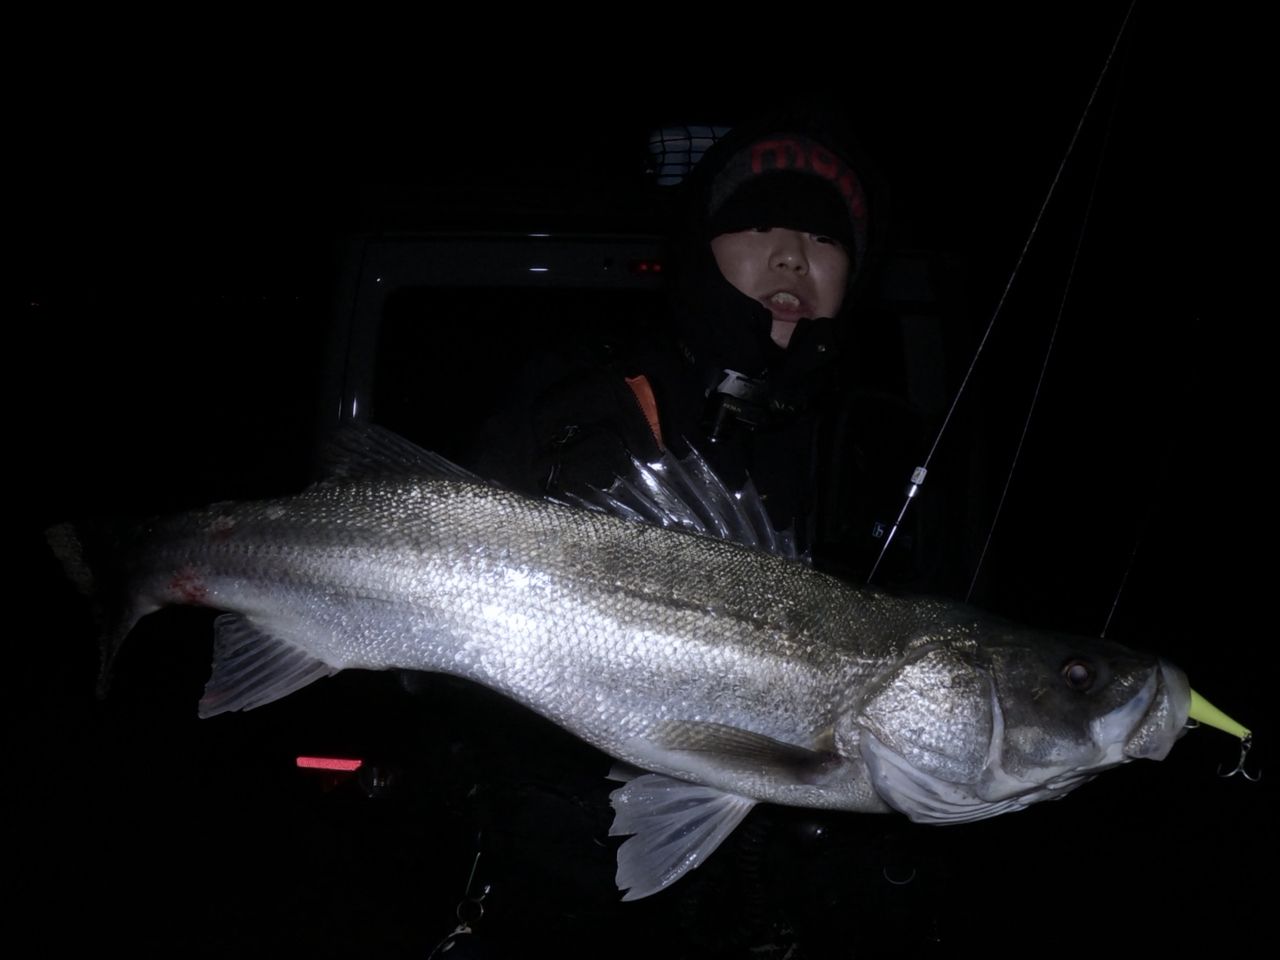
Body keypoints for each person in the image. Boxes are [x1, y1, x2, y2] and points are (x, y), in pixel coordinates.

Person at [473, 106, 939, 586]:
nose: (792, 257)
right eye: (760, 224)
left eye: (824, 237)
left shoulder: (882, 442)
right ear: (702, 246)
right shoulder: (576, 393)